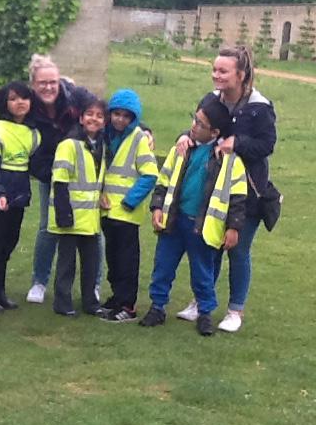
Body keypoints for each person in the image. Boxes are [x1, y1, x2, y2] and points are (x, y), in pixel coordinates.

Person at [175, 46, 277, 333]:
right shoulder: (211, 100)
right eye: (214, 69)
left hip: (248, 192)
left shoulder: (259, 107)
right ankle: (202, 301)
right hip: (212, 189)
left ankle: (235, 310)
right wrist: (184, 136)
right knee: (210, 245)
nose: (216, 75)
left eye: (223, 71)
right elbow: (199, 127)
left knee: (238, 249)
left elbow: (267, 144)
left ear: (240, 75)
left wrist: (238, 143)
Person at [140, 95, 247, 336]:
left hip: (202, 227)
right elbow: (163, 181)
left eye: (200, 123)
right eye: (194, 119)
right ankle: (157, 307)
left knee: (203, 273)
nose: (194, 126)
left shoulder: (230, 160)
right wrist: (157, 207)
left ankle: (205, 313)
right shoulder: (180, 149)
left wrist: (234, 227)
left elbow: (238, 198)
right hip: (173, 222)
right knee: (163, 266)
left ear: (215, 132)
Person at [25, 54, 96, 304]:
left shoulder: (76, 96)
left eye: (53, 82)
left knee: (92, 228)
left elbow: (102, 111)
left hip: (84, 172)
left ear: (60, 81)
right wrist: (52, 174)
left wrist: (143, 128)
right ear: (33, 84)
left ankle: (94, 285)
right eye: (43, 83)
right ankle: (39, 281)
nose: (48, 87)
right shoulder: (29, 107)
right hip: (51, 173)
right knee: (48, 226)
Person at [0, 81, 40, 313]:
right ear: (5, 104)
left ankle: (0, 291)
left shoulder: (33, 133)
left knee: (9, 243)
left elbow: (36, 164)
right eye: (13, 99)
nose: (19, 103)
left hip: (19, 195)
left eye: (24, 98)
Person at [99, 89, 158, 322]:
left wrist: (130, 200)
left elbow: (150, 174)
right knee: (112, 258)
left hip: (126, 212)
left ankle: (127, 305)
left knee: (126, 260)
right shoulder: (105, 135)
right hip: (107, 209)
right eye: (116, 114)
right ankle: (117, 297)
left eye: (126, 116)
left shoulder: (138, 138)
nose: (120, 120)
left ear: (134, 118)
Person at [49, 97, 109, 318]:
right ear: (81, 118)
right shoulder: (69, 144)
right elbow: (60, 180)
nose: (94, 119)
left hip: (90, 218)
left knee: (91, 264)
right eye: (90, 114)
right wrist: (64, 214)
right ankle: (62, 302)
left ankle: (90, 303)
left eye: (99, 115)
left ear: (104, 121)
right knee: (67, 264)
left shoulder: (101, 145)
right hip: (70, 215)